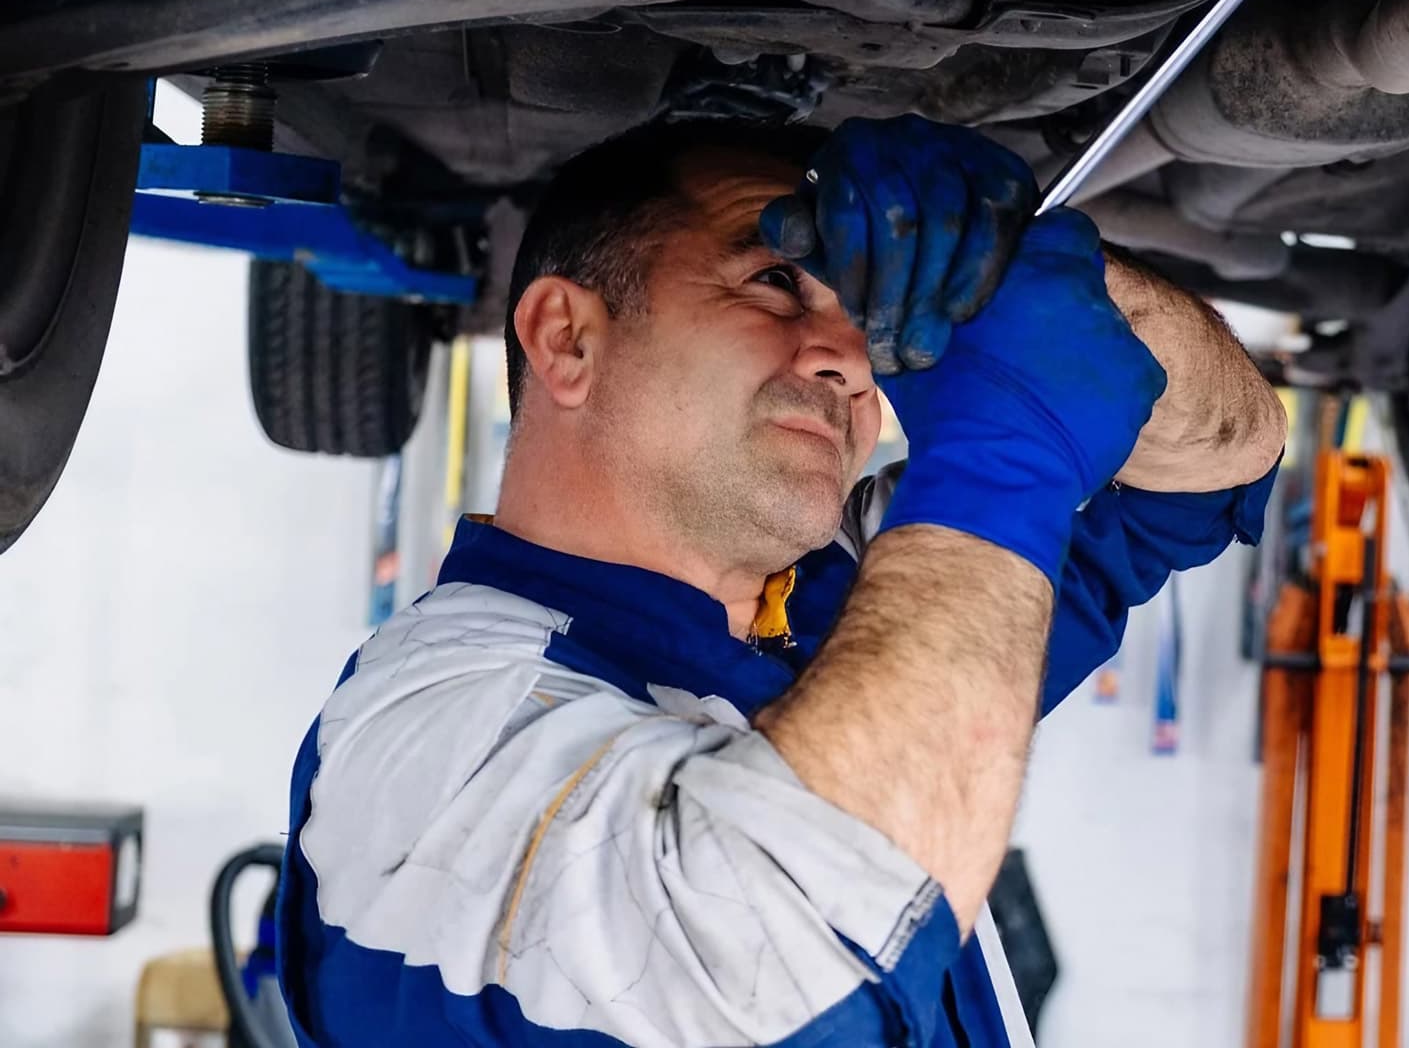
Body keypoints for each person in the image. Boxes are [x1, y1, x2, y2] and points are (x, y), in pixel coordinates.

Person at [275, 115, 1287, 1047]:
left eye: (871, 315)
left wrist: (1043, 281)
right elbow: (790, 968)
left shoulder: (831, 603)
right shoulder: (437, 722)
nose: (852, 355)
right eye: (773, 284)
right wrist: (1003, 456)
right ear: (566, 338)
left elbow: (1217, 462)